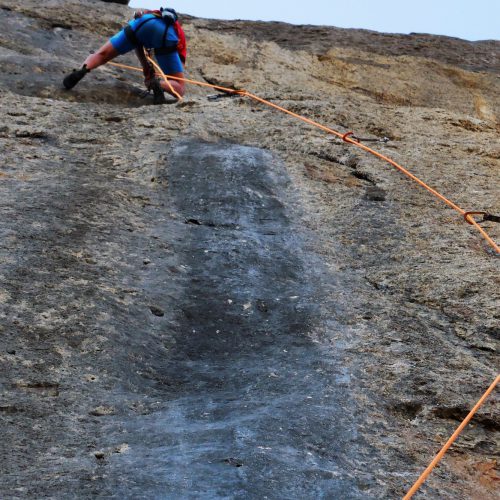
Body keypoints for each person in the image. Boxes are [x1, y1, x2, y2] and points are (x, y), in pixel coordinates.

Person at [63, 8, 185, 103]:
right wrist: (150, 75)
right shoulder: (178, 34)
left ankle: (83, 69)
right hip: (166, 36)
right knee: (179, 85)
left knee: (101, 55)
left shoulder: (152, 14)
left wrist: (146, 68)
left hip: (143, 22)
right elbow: (177, 76)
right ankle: (158, 84)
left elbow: (138, 43)